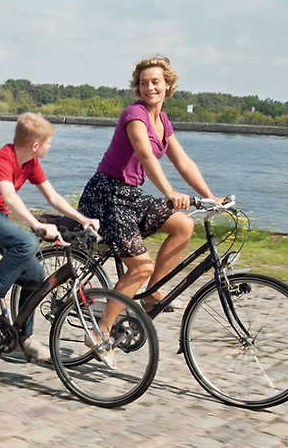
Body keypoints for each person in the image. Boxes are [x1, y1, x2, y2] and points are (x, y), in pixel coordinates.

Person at [78, 55, 223, 368]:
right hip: (106, 198)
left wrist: (211, 197)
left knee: (183, 225)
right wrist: (169, 192)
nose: (149, 87)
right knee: (139, 268)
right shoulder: (134, 115)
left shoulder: (164, 122)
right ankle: (99, 331)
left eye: (155, 81)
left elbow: (183, 162)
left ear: (168, 85)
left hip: (130, 198)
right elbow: (145, 156)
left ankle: (151, 295)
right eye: (143, 83)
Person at [0, 112, 100, 364]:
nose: (50, 146)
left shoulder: (30, 163)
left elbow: (52, 197)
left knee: (36, 279)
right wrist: (36, 224)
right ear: (35, 145)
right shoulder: (2, 159)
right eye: (48, 142)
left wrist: (82, 219)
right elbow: (10, 197)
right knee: (27, 242)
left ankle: (25, 339)